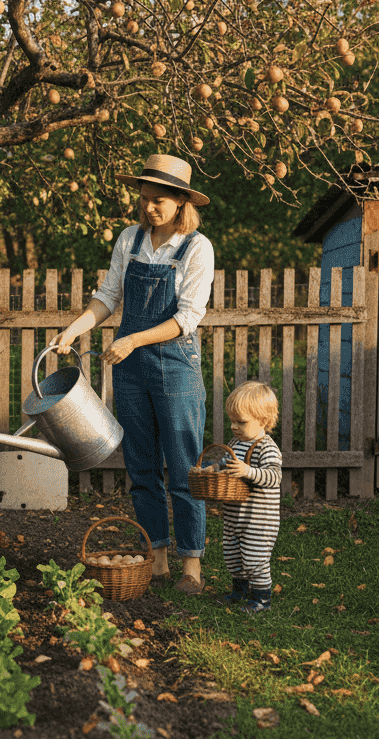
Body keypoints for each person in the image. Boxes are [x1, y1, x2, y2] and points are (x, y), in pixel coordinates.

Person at [49, 154, 215, 596]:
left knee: (184, 468)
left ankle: (192, 566)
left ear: (181, 201)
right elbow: (108, 296)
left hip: (175, 364)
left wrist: (133, 339)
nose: (149, 207)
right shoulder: (130, 238)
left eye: (159, 200)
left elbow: (188, 318)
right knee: (141, 467)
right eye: (144, 199)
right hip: (132, 370)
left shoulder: (197, 247)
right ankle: (157, 559)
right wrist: (73, 329)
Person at [216, 380, 284, 612]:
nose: (234, 426)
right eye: (232, 420)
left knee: (255, 559)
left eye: (241, 422)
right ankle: (240, 590)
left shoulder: (267, 447)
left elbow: (274, 476)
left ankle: (262, 598)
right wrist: (217, 469)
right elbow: (228, 465)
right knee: (232, 556)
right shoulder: (236, 443)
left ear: (263, 421)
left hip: (259, 520)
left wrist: (248, 471)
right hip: (234, 516)